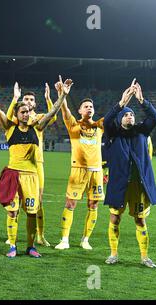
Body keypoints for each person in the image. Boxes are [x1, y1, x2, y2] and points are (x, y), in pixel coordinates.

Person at [0, 75, 72, 258]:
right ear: (17, 115)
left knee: (32, 212)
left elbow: (51, 113)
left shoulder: (37, 128)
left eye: (27, 111)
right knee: (13, 212)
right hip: (14, 175)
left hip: (32, 176)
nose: (26, 114)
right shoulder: (10, 128)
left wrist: (62, 96)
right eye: (22, 112)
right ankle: (12, 246)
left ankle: (31, 246)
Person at [103, 80, 156, 268]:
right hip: (119, 184)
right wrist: (121, 103)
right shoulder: (113, 134)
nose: (129, 117)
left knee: (140, 220)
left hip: (139, 186)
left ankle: (144, 257)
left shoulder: (141, 132)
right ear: (120, 120)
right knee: (114, 218)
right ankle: (113, 254)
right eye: (126, 115)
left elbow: (155, 118)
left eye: (131, 115)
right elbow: (106, 121)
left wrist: (142, 100)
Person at [55, 77, 104, 251]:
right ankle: (64, 239)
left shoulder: (99, 127)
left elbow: (116, 111)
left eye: (91, 106)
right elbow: (64, 110)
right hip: (78, 170)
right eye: (86, 106)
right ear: (80, 110)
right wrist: (62, 94)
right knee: (70, 204)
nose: (89, 108)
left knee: (94, 205)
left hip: (96, 172)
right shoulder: (74, 126)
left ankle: (85, 239)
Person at [5, 83, 56, 246]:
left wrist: (48, 99)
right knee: (16, 200)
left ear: (35, 103)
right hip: (19, 165)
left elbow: (53, 116)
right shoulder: (19, 117)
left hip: (37, 164)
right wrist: (14, 99)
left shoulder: (39, 117)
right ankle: (13, 236)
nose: (28, 101)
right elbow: (7, 118)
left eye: (31, 99)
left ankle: (40, 235)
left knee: (37, 201)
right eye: (25, 98)